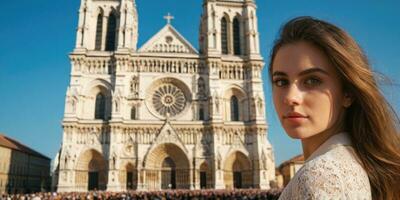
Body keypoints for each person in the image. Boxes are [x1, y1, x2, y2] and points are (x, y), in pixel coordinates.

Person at [269, 16, 400, 200]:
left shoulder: (321, 175)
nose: (290, 97)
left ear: (347, 93)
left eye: (312, 80)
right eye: (281, 81)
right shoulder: (348, 163)